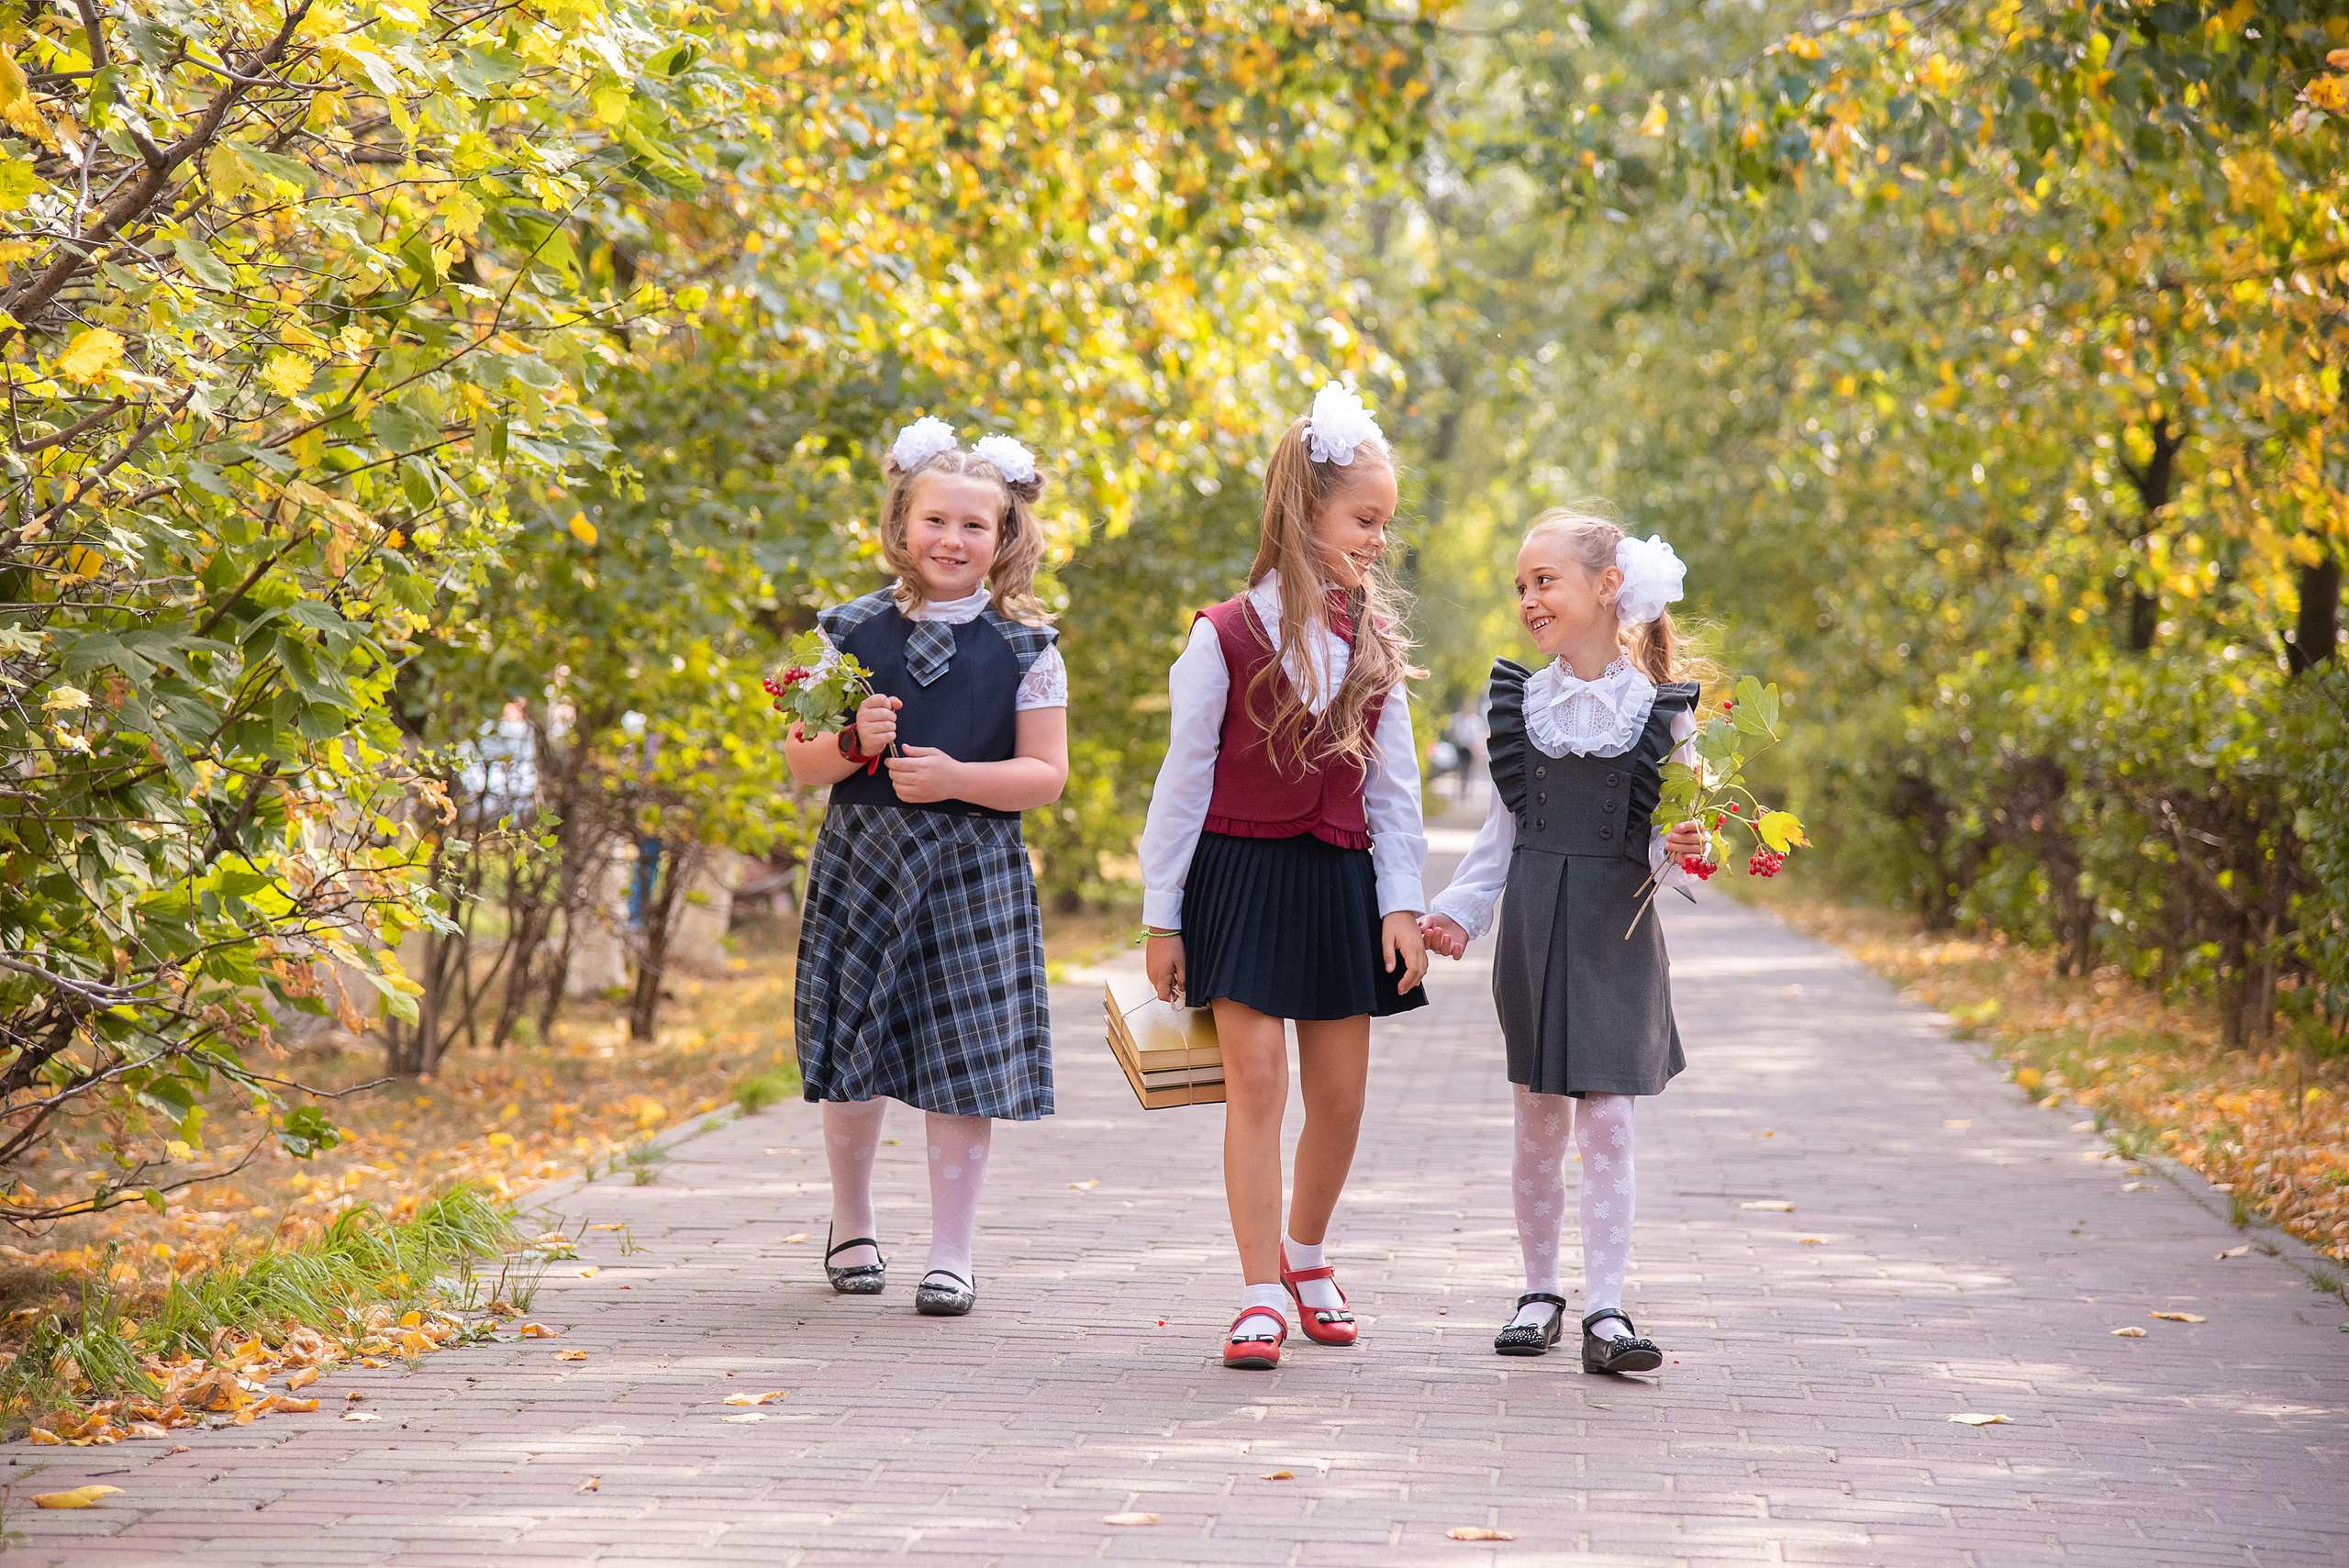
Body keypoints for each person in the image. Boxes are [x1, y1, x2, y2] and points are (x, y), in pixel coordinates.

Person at [1138, 384, 1431, 1371]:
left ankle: (1305, 1253)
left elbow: (1395, 795)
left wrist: (1402, 902)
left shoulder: (1373, 648)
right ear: (1306, 514)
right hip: (1238, 877)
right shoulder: (1219, 635)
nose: (1378, 539)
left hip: (1339, 885)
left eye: (1384, 522)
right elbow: (1180, 783)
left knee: (1339, 1095)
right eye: (1364, 519)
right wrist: (1159, 916)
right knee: (1256, 1080)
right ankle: (1258, 1285)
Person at [783, 419, 1069, 1318]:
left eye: (973, 526)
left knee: (962, 1051)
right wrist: (846, 740)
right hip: (866, 857)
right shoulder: (845, 630)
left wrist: (956, 778)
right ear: (902, 524)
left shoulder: (1031, 645)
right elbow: (799, 759)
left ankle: (952, 1249)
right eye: (935, 521)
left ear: (1004, 536)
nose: (952, 540)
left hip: (973, 864)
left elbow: (1045, 774)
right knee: (855, 1044)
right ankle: (853, 1218)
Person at [1419, 505, 1710, 1374]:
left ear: (1606, 588)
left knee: (1610, 1124)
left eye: (1544, 581)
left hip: (1615, 934)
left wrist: (1689, 849)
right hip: (1537, 930)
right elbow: (1499, 840)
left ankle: (1608, 1307)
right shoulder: (1519, 706)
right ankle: (1539, 1289)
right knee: (1537, 1122)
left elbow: (1675, 853)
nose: (1529, 599)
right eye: (1521, 586)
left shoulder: (1664, 716)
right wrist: (1458, 914)